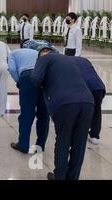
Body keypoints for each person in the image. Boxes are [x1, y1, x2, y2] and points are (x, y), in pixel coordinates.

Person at [31, 47, 94, 180]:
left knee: (63, 140)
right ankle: (73, 177)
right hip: (88, 101)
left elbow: (35, 79)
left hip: (65, 103)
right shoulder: (68, 60)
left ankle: (59, 176)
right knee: (79, 143)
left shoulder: (44, 58)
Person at [8, 48, 49, 154]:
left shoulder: (12, 53)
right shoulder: (36, 52)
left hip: (27, 77)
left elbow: (12, 69)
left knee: (26, 113)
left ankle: (23, 144)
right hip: (42, 76)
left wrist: (19, 81)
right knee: (44, 114)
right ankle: (40, 145)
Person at [72, 56, 106, 145]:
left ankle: (77, 134)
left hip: (85, 88)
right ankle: (95, 136)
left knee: (78, 110)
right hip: (99, 87)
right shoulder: (84, 60)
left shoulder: (65, 63)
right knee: (97, 111)